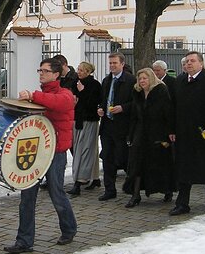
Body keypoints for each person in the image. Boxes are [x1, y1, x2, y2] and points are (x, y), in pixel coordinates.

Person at [4, 58, 77, 253]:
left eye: (45, 71)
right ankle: (24, 241)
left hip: (56, 152)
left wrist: (33, 96)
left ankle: (69, 229)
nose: (41, 74)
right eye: (40, 70)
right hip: (36, 152)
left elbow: (58, 104)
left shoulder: (65, 94)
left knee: (56, 192)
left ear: (56, 74)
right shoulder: (40, 96)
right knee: (27, 197)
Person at [169, 51, 205, 215]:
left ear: (201, 63)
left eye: (192, 61)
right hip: (184, 133)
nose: (188, 64)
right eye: (186, 62)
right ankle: (182, 203)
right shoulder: (179, 81)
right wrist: (172, 129)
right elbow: (173, 107)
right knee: (184, 167)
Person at [124, 68, 174, 207]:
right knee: (137, 162)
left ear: (151, 78)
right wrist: (131, 134)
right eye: (140, 79)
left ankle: (167, 190)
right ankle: (135, 194)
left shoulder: (161, 91)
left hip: (157, 131)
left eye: (145, 78)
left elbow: (167, 113)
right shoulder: (137, 93)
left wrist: (168, 133)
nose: (142, 81)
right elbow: (134, 115)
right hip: (141, 131)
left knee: (159, 162)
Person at [97, 52, 135, 201]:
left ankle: (132, 187)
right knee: (107, 158)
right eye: (110, 63)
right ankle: (109, 189)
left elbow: (136, 103)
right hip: (107, 126)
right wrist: (100, 108)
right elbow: (103, 100)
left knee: (123, 158)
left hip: (123, 126)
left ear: (122, 64)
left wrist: (123, 108)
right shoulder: (107, 80)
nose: (112, 66)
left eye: (115, 63)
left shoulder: (131, 81)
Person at [67, 61, 102, 196]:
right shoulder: (75, 83)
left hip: (89, 120)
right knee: (81, 148)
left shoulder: (94, 85)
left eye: (81, 70)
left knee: (86, 149)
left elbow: (93, 103)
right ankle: (95, 177)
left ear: (88, 72)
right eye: (78, 69)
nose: (78, 72)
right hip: (78, 120)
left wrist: (83, 92)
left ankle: (80, 181)